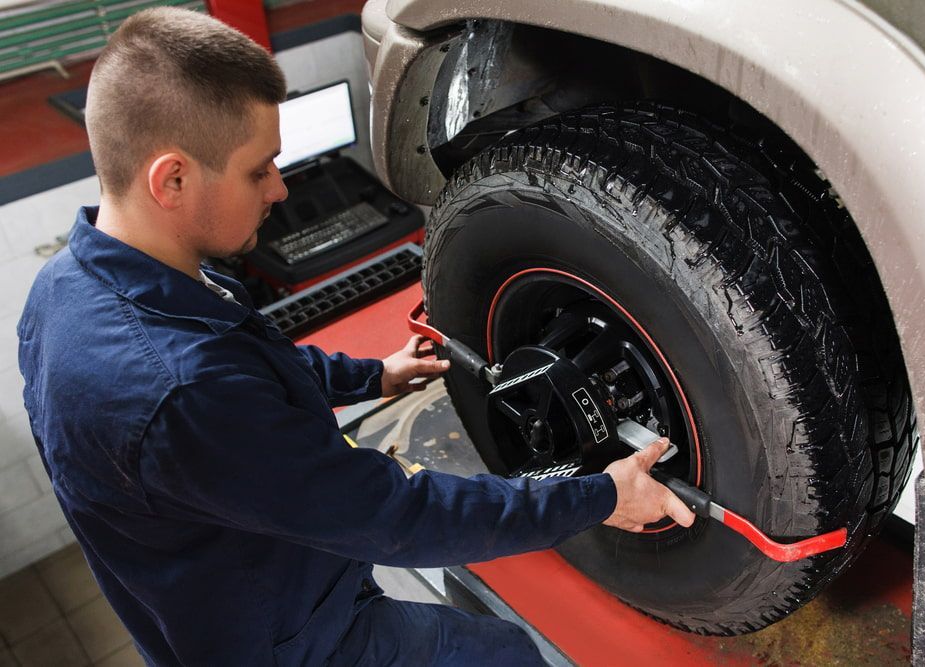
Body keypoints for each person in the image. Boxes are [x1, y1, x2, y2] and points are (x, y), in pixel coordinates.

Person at [17, 7, 695, 666]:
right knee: (507, 652)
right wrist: (600, 496)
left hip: (208, 598)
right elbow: (398, 515)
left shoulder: (65, 288)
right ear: (172, 178)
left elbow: (250, 366)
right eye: (260, 169)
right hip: (291, 640)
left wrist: (370, 375)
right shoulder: (181, 393)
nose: (280, 189)